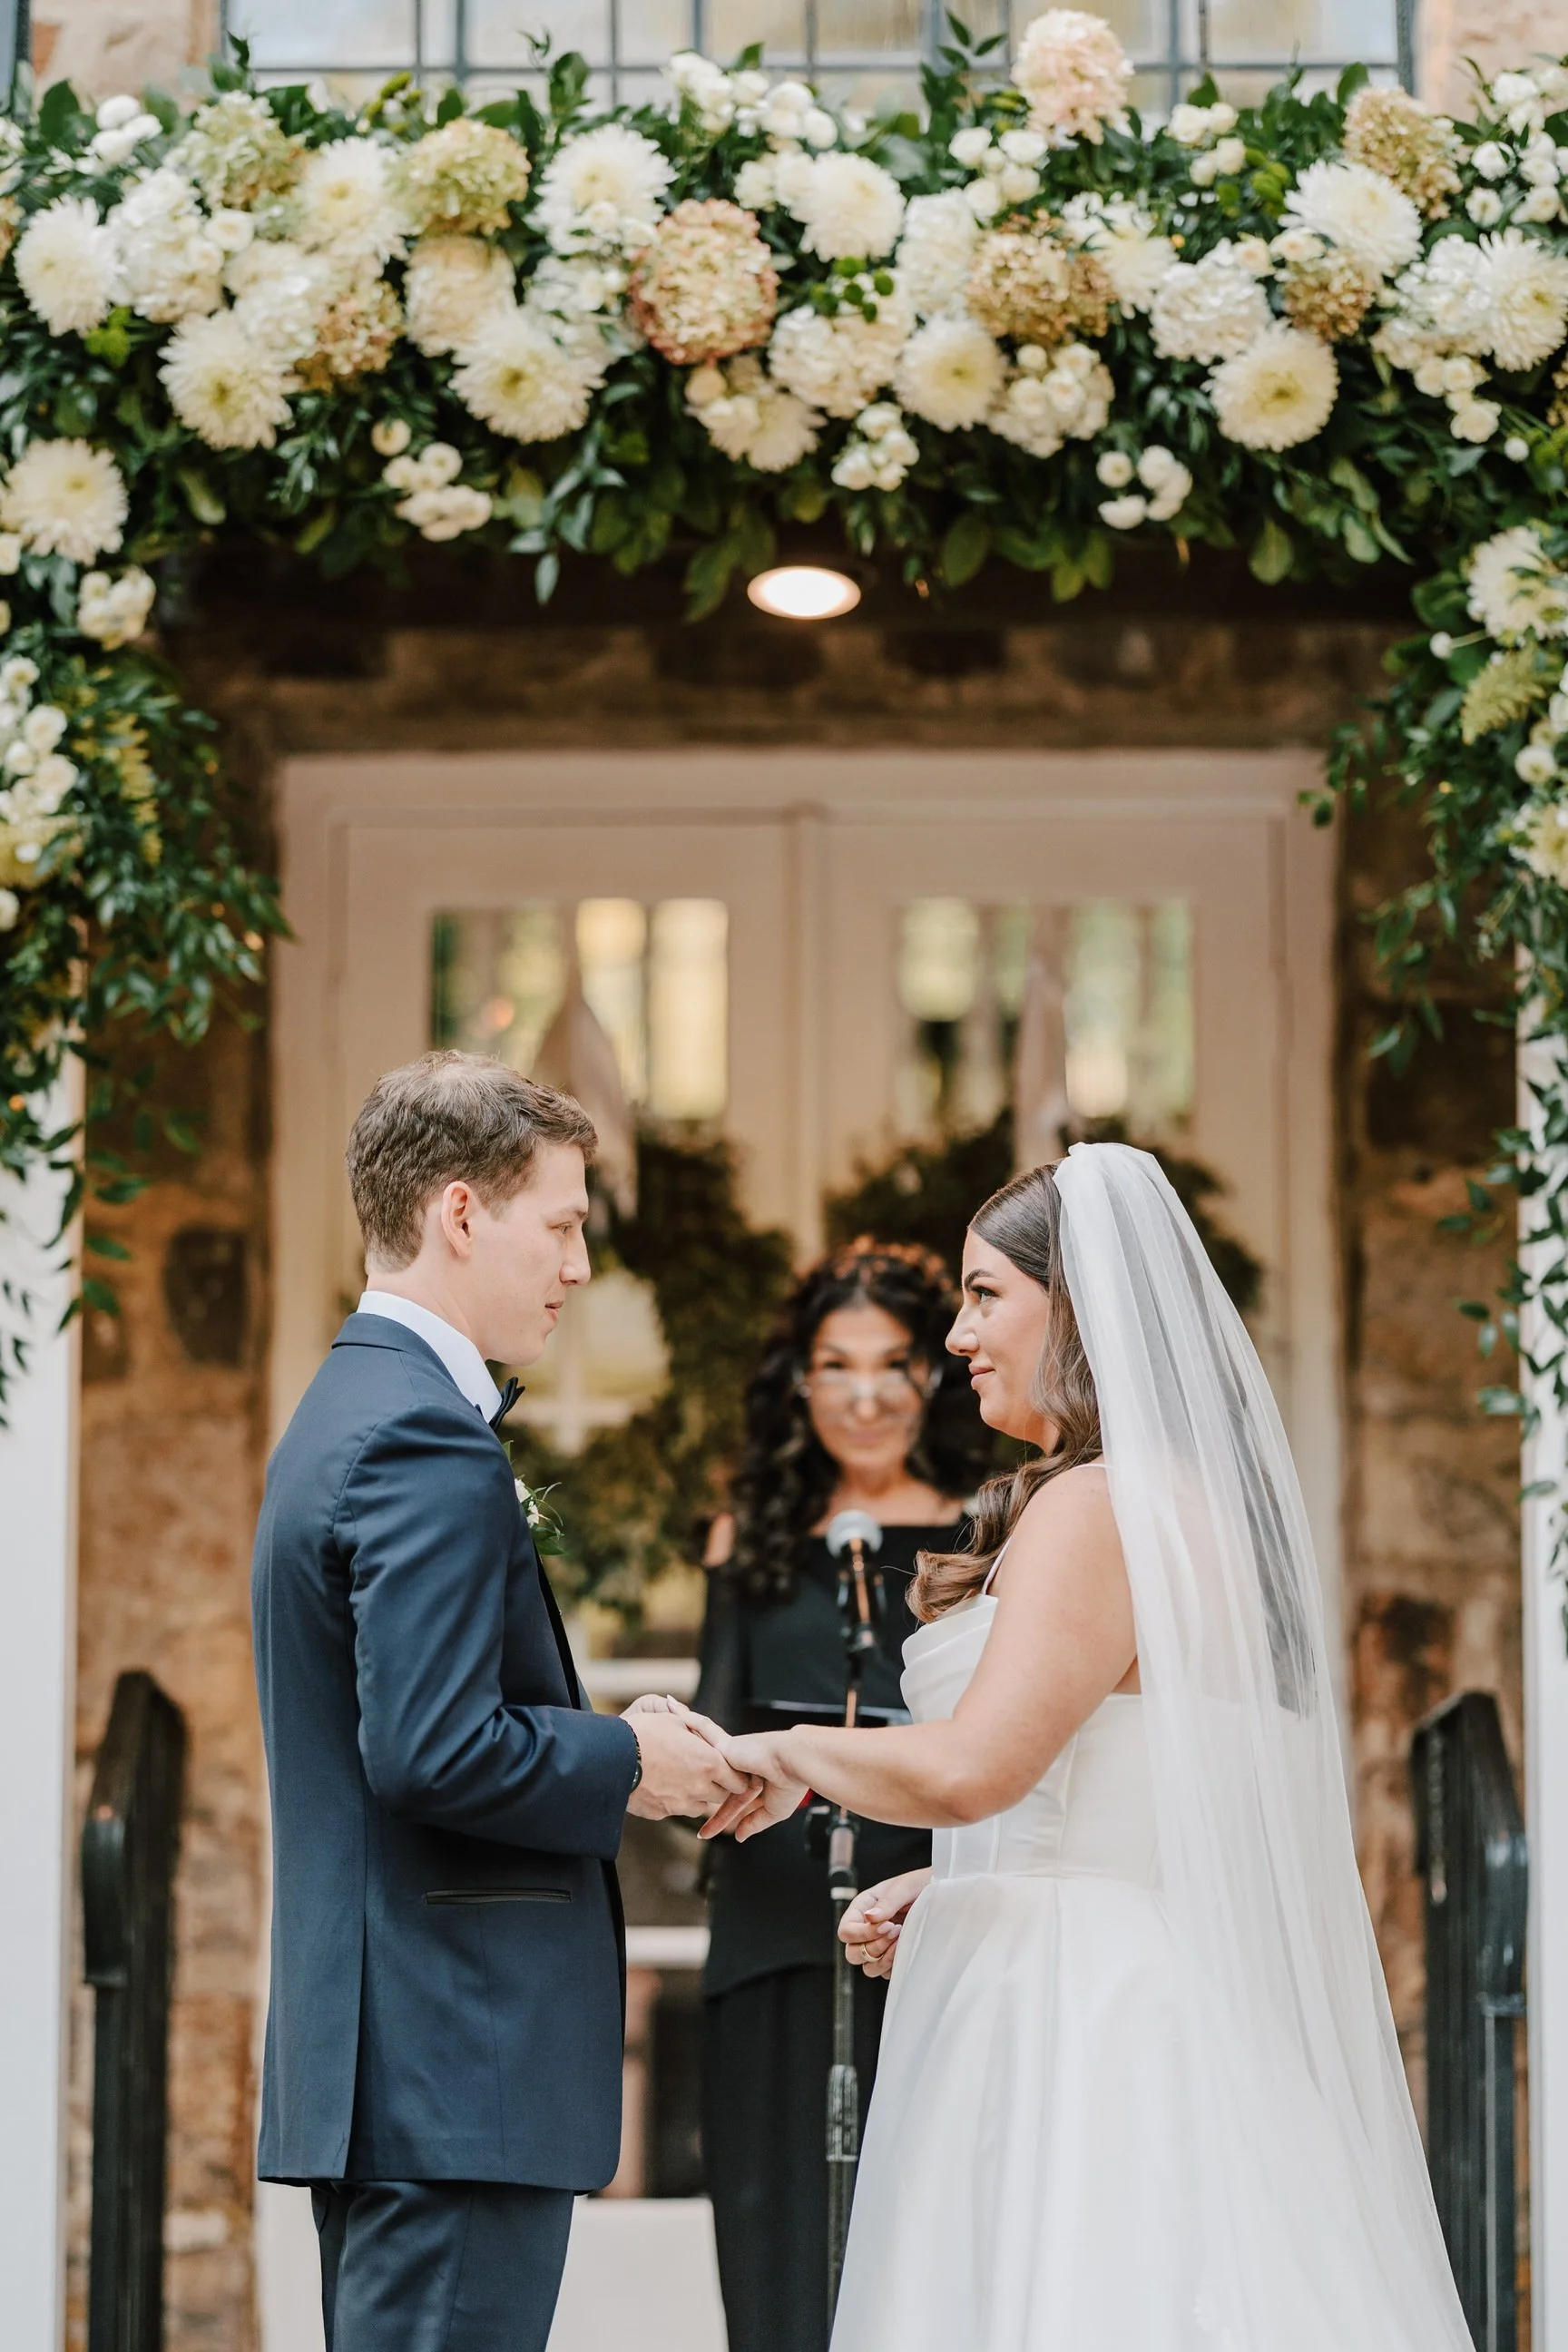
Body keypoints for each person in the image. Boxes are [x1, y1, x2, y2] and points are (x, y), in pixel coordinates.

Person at [703, 1147, 1476, 2352]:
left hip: (1074, 2025)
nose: (958, 1336)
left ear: (1076, 1304)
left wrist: (787, 1749)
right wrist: (961, 1879)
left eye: (983, 1295)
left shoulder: (1091, 1508)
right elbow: (1142, 1779)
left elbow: (975, 1768)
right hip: (1153, 1982)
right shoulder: (1188, 1509)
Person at [250, 1052, 754, 2352]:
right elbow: (430, 1751)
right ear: (460, 1214)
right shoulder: (420, 1435)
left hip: (402, 2071)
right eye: (565, 1225)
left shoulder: (350, 1408)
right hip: (449, 2069)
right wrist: (628, 1759)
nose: (580, 1267)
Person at [696, 1240, 989, 2352]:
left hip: (933, 1926)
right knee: (774, 2254)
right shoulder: (750, 1537)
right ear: (799, 1382)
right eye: (835, 1366)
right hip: (773, 1935)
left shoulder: (984, 1531)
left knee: (926, 2245)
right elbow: (716, 1728)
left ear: (930, 1376)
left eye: (892, 1365)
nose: (864, 1396)